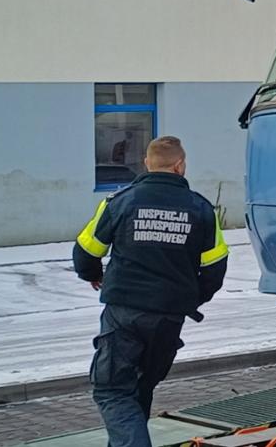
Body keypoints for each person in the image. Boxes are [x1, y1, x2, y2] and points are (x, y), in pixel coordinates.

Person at [72, 136, 229, 447]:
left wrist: (93, 274)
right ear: (180, 165)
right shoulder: (201, 209)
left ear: (146, 163)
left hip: (124, 314)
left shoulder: (120, 202)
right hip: (169, 319)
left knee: (113, 390)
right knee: (141, 388)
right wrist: (186, 297)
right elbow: (214, 270)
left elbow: (86, 251)